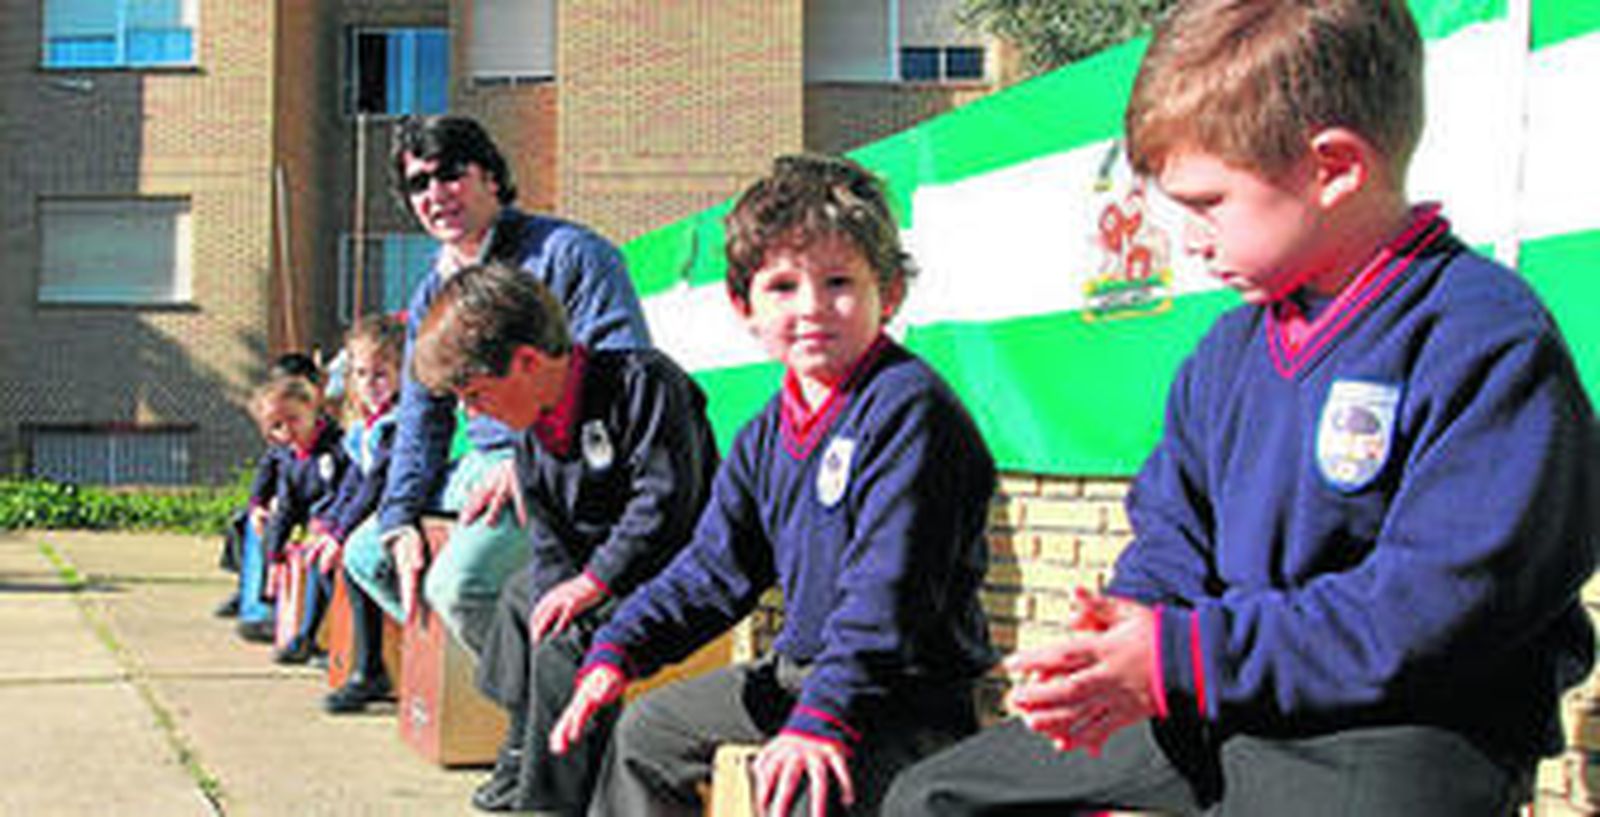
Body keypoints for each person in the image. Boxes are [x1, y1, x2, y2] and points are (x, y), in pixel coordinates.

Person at [880, 1, 1599, 814]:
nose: (1188, 240)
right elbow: (1174, 529)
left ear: (1333, 167)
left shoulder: (1483, 338)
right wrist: (1134, 617)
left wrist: (1179, 656)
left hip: (1404, 732)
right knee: (934, 794)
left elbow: (1431, 612)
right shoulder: (1226, 352)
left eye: (1207, 202)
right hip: (1222, 695)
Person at [549, 154, 998, 817]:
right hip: (799, 675)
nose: (813, 307)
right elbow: (711, 570)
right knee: (648, 733)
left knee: (797, 785)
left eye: (840, 281)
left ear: (891, 293)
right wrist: (620, 646)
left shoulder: (910, 410)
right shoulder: (766, 433)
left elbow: (888, 594)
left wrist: (823, 716)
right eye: (783, 286)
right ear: (744, 306)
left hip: (902, 694)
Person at [409, 263, 718, 814]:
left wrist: (591, 584)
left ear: (527, 361)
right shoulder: (531, 435)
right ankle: (524, 740)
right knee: (521, 603)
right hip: (599, 570)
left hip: (671, 564)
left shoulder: (642, 382)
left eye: (475, 393)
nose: (468, 411)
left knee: (566, 640)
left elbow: (665, 502)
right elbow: (549, 539)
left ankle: (554, 800)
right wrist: (557, 592)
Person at [344, 115, 652, 658]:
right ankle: (494, 680)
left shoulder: (571, 254)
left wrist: (529, 459)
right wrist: (398, 520)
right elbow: (421, 417)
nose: (435, 195)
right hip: (477, 470)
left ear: (490, 176)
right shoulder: (430, 295)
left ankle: (544, 712)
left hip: (560, 463)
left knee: (457, 587)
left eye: (450, 174)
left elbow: (623, 376)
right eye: (419, 184)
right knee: (366, 555)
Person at [300, 315, 406, 712]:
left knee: (356, 556)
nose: (369, 384)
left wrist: (341, 533)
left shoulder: (399, 422)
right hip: (370, 511)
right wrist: (330, 522)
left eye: (381, 374)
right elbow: (350, 482)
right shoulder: (365, 424)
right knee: (330, 562)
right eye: (361, 373)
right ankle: (353, 653)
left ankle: (372, 665)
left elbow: (376, 482)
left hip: (398, 511)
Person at [250, 374, 351, 664]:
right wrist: (273, 556)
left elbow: (344, 490)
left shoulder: (336, 447)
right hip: (314, 525)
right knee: (286, 545)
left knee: (320, 561)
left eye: (293, 419)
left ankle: (316, 637)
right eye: (277, 427)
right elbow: (286, 508)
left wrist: (327, 524)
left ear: (312, 408)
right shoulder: (290, 457)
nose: (287, 431)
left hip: (339, 521)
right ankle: (295, 629)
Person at [220, 351, 322, 635]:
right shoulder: (282, 430)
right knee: (245, 520)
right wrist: (257, 503)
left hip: (311, 505)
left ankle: (267, 608)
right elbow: (267, 469)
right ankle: (249, 593)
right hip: (286, 499)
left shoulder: (317, 426)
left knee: (276, 523)